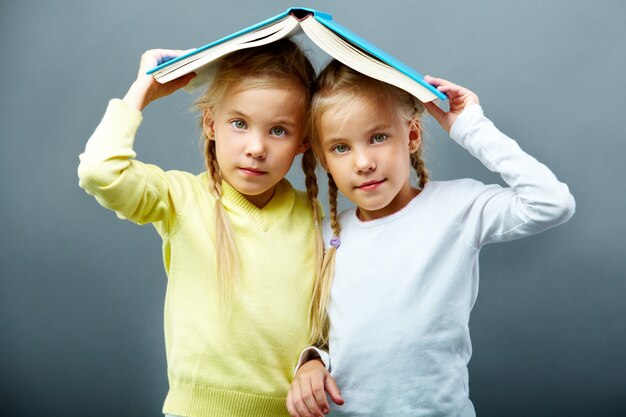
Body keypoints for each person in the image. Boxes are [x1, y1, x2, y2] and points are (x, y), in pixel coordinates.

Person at [286, 60, 575, 417]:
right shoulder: (329, 234)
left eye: (378, 137)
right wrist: (312, 362)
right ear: (324, 159)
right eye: (341, 148)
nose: (363, 162)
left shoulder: (455, 208)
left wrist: (469, 126)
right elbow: (334, 335)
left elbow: (552, 203)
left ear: (411, 135)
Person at [78, 39, 323, 417]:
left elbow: (336, 319)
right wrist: (142, 91)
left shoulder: (318, 222)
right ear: (211, 122)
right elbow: (99, 172)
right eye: (239, 124)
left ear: (303, 140)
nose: (256, 147)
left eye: (278, 131)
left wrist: (316, 360)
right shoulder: (181, 199)